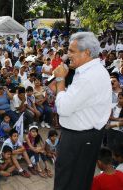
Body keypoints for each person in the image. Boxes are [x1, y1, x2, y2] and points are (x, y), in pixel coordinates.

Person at [52, 32, 112, 190]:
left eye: (72, 51)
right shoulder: (93, 71)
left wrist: (60, 80)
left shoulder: (88, 77)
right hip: (86, 136)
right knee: (79, 180)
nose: (67, 55)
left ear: (86, 53)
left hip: (78, 139)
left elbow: (63, 108)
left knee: (67, 182)